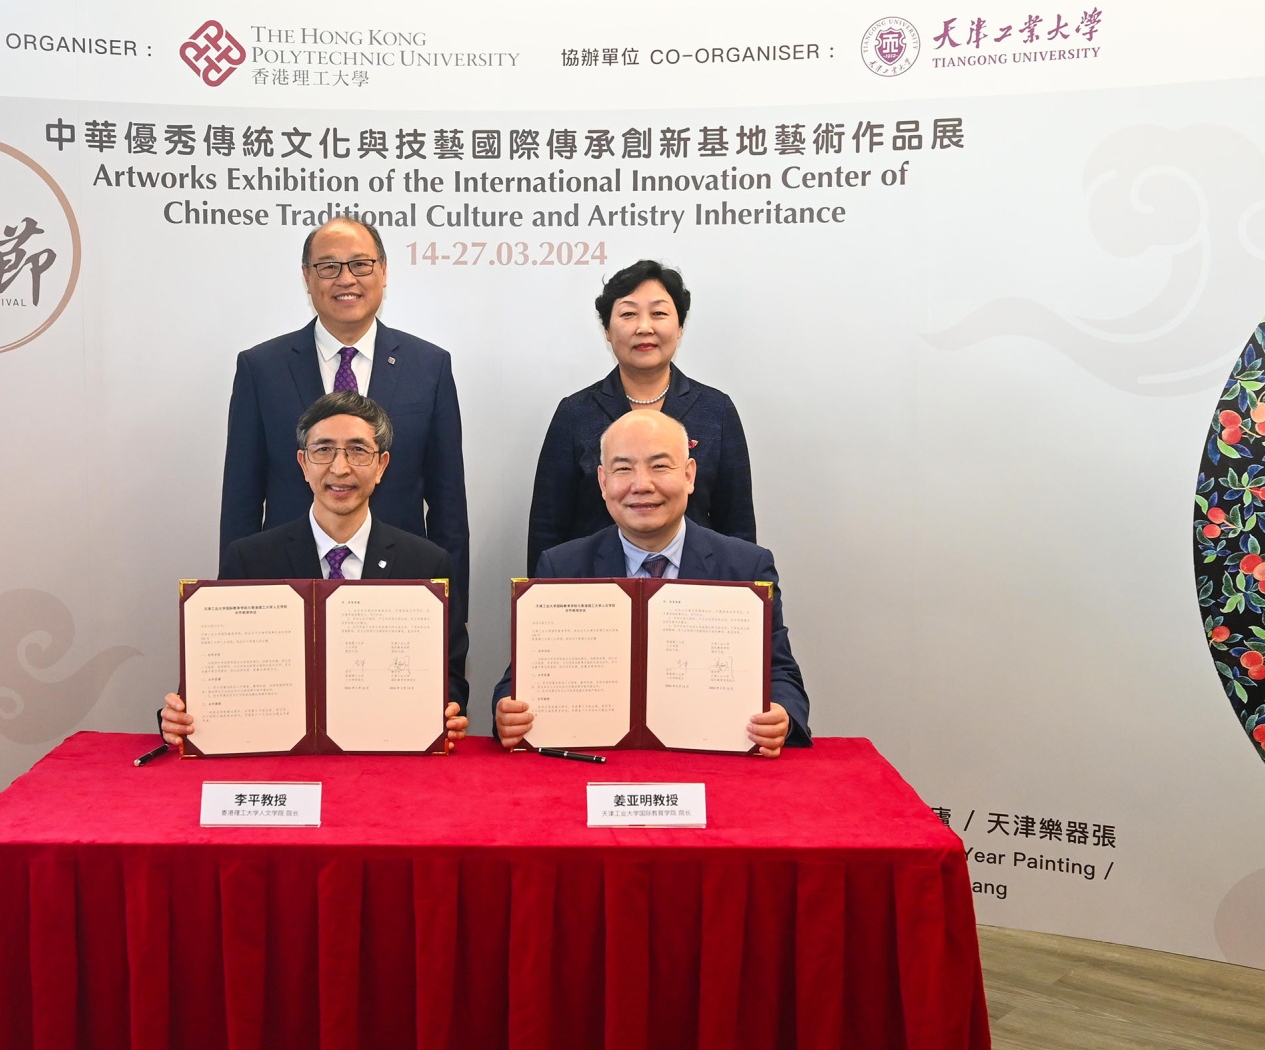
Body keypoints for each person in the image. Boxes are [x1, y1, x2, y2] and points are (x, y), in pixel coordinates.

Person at [496, 411, 808, 755]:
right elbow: (522, 676)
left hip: (710, 760)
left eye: (660, 466)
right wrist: (507, 712)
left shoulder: (745, 566)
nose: (641, 484)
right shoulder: (563, 566)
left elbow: (780, 673)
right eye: (623, 468)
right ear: (602, 482)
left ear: (689, 475)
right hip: (597, 763)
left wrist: (782, 715)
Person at [166, 392, 469, 746]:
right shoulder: (251, 561)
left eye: (358, 450)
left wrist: (447, 709)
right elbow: (217, 672)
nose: (340, 468)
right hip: (278, 757)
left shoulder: (426, 564)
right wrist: (180, 715)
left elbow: (450, 676)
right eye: (323, 450)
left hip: (387, 753)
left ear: (382, 465)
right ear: (303, 463)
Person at [220, 217, 471, 611]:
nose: (346, 279)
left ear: (383, 271)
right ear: (307, 276)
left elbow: (448, 503)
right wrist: (236, 604)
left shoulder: (429, 366)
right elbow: (241, 500)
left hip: (400, 587)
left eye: (360, 264)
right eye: (328, 266)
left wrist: (452, 610)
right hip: (287, 587)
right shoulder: (262, 368)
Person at [524, 259, 755, 575]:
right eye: (628, 314)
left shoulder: (716, 410)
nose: (644, 327)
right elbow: (547, 529)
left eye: (659, 313)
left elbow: (737, 527)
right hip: (594, 597)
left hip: (696, 598)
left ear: (680, 327)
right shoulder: (575, 413)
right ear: (607, 330)